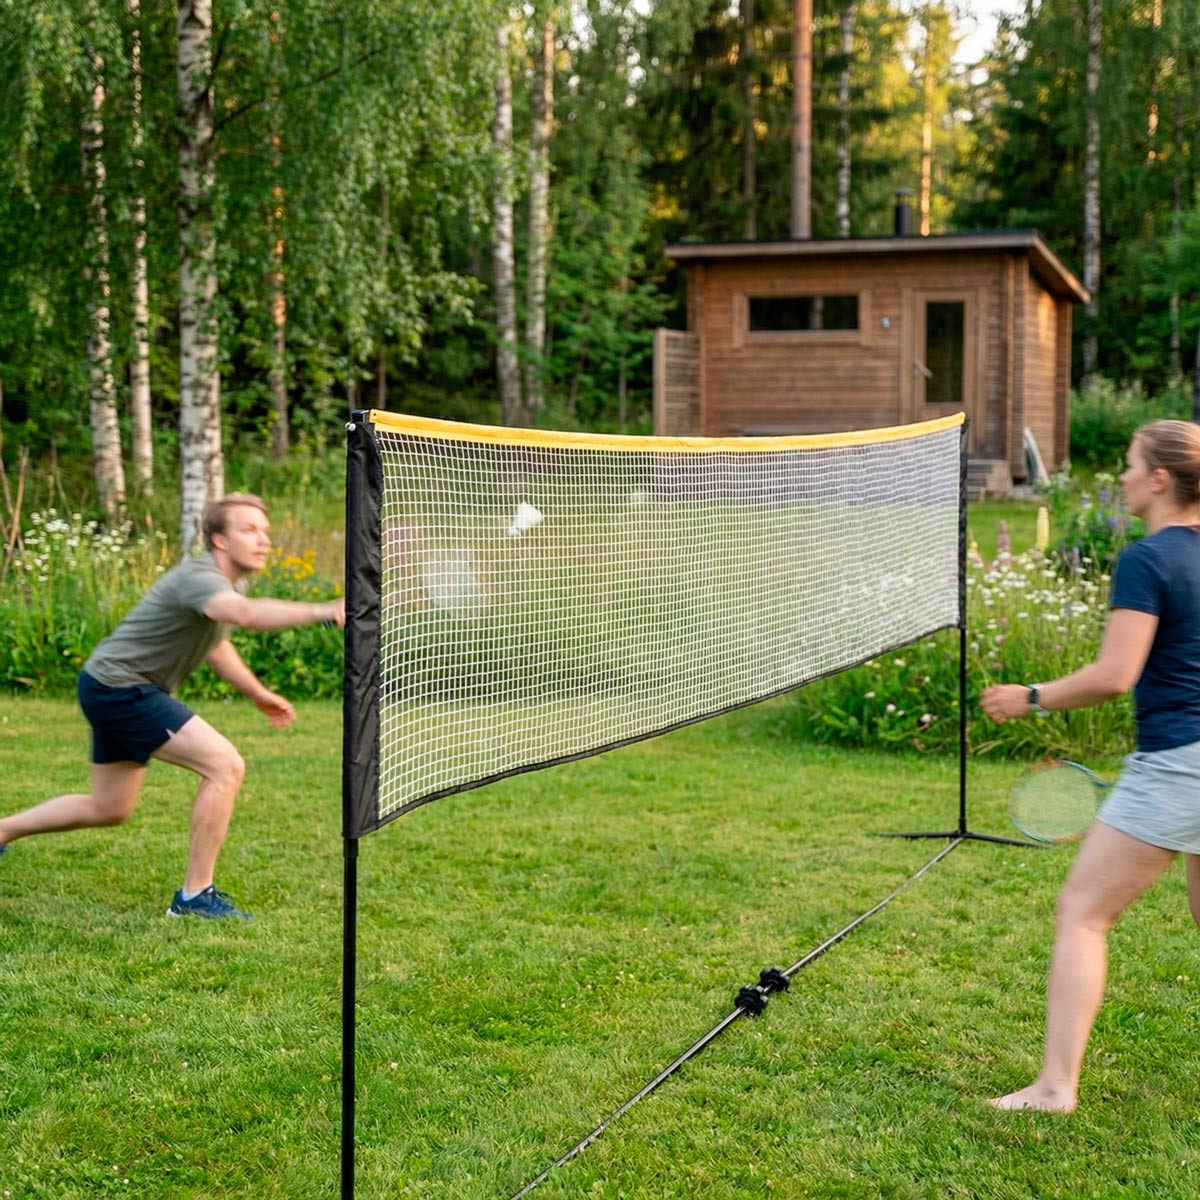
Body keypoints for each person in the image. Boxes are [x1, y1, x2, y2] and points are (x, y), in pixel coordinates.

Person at [981, 419, 1200, 1112]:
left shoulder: (1149, 559)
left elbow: (1114, 674)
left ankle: (1054, 1087)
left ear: (1161, 478)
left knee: (1082, 912)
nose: (1124, 477)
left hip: (1178, 764)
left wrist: (1031, 698)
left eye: (1132, 465)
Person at [0, 493, 345, 920]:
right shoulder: (202, 578)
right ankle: (194, 897)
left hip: (107, 684)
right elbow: (245, 615)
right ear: (220, 539)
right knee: (225, 765)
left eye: (266, 532)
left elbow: (217, 648)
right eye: (250, 530)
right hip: (124, 688)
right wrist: (326, 611)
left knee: (108, 808)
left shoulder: (219, 582)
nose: (264, 541)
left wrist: (257, 693)